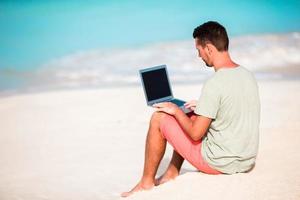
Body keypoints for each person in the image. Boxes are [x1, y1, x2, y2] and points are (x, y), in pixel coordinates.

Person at [121, 21, 260, 198]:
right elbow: (232, 107)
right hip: (246, 161)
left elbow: (195, 134)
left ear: (209, 48)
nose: (199, 55)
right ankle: (172, 172)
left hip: (220, 163)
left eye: (199, 50)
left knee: (159, 118)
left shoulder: (215, 84)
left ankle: (146, 183)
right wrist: (201, 107)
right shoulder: (247, 75)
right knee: (192, 112)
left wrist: (175, 110)